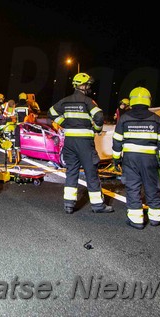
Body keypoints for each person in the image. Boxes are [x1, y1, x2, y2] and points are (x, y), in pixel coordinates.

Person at [48, 72, 113, 214]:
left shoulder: (65, 101)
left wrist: (64, 123)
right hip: (84, 143)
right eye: (88, 84)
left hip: (70, 142)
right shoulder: (88, 101)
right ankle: (97, 206)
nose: (89, 87)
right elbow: (99, 116)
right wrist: (96, 128)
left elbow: (51, 113)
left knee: (71, 172)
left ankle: (68, 205)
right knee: (91, 173)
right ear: (82, 86)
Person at [112, 87, 160, 229]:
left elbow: (117, 141)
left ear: (132, 100)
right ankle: (156, 218)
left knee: (132, 187)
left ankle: (136, 220)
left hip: (130, 159)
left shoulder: (124, 118)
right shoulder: (156, 119)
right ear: (148, 100)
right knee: (151, 187)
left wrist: (116, 159)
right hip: (149, 158)